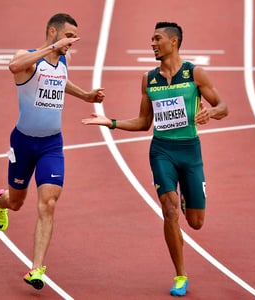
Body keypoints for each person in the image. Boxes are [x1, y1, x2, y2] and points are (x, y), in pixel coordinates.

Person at [82, 21, 228, 296]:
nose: (152, 43)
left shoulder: (195, 74)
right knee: (169, 210)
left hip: (190, 151)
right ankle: (181, 275)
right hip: (161, 151)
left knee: (196, 222)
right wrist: (110, 122)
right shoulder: (148, 79)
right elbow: (143, 122)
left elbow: (224, 106)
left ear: (174, 41)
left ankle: (186, 196)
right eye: (150, 38)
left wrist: (212, 113)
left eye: (157, 38)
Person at [0, 13, 105, 290]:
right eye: (69, 36)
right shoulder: (29, 58)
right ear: (53, 32)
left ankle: (36, 269)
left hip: (51, 144)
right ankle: (1, 202)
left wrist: (86, 96)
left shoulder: (63, 61)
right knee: (17, 202)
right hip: (23, 142)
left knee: (49, 203)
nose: (72, 42)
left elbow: (61, 83)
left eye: (74, 37)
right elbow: (13, 66)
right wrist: (51, 49)